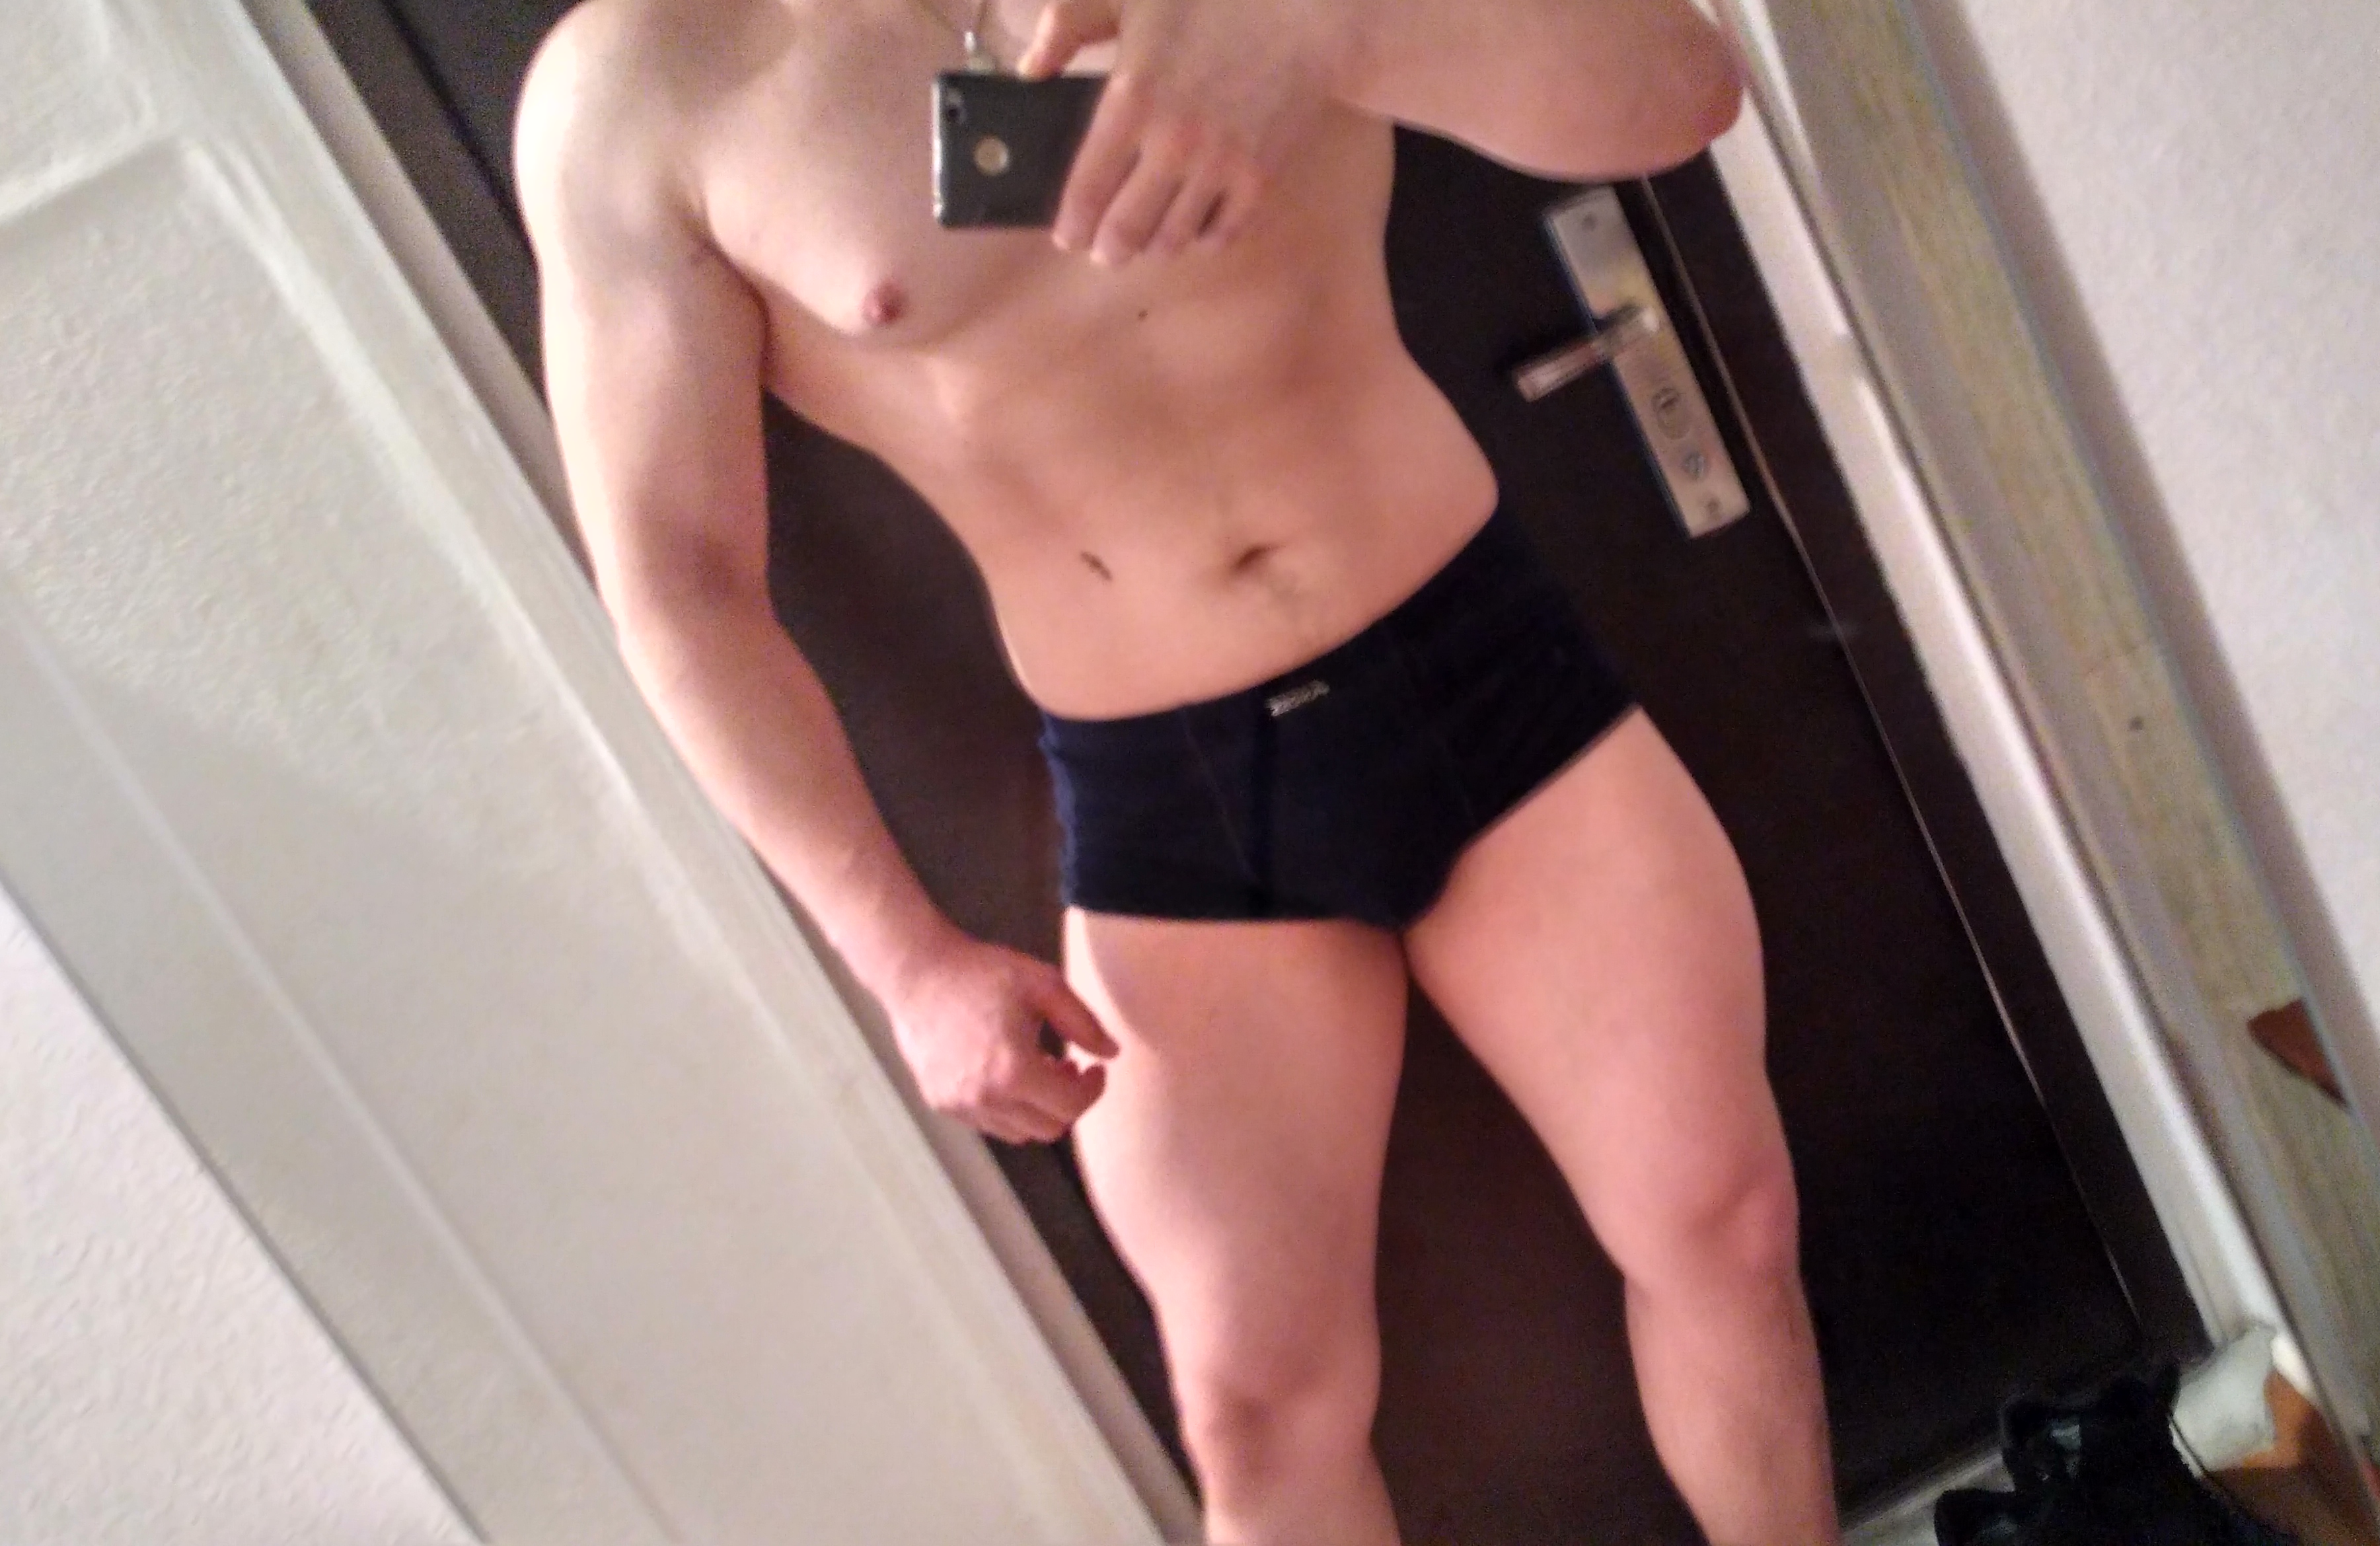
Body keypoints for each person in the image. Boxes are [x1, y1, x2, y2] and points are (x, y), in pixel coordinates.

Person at [515, 0, 1839, 1537]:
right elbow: (676, 582)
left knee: (1724, 1223)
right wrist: (905, 962)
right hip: (1173, 802)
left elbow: (1681, 88)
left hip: (1484, 671)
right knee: (1256, 1410)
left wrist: (1323, 37)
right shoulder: (642, 91)